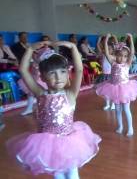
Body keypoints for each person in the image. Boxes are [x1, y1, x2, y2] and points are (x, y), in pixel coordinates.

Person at [6, 41, 101, 179]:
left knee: (73, 174)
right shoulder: (40, 93)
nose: (58, 77)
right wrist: (30, 49)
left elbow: (79, 70)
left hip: (69, 142)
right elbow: (23, 70)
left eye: (63, 72)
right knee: (58, 175)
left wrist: (74, 48)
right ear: (43, 77)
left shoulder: (70, 93)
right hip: (48, 145)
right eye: (52, 73)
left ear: (68, 74)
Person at [96, 34, 137, 136]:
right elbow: (107, 53)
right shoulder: (113, 63)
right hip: (114, 88)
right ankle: (120, 126)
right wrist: (107, 39)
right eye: (120, 55)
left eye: (125, 56)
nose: (122, 58)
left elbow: (132, 52)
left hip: (125, 89)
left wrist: (131, 39)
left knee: (126, 109)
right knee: (117, 109)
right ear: (115, 55)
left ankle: (130, 128)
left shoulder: (127, 64)